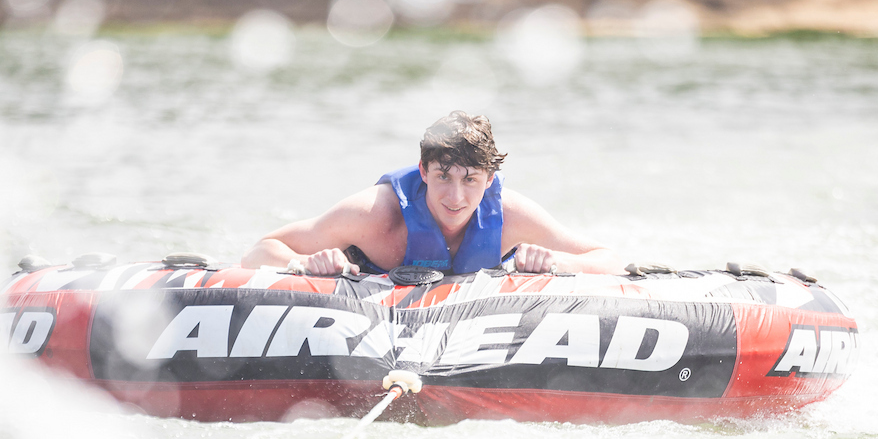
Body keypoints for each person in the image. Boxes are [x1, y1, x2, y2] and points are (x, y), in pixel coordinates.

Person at [241, 111, 622, 276]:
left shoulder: (512, 216)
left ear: (490, 180)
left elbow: (609, 259)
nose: (455, 197)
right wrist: (304, 264)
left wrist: (558, 261)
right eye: (443, 176)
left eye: (470, 180)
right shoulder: (373, 215)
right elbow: (258, 253)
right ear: (423, 171)